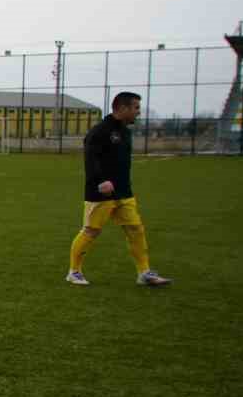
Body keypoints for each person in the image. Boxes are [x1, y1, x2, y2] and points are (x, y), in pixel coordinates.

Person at [66, 91, 172, 287]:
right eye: (136, 108)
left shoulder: (125, 131)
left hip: (124, 192)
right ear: (122, 108)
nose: (138, 112)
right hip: (100, 193)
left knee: (136, 229)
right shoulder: (99, 131)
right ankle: (74, 271)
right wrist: (101, 181)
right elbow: (90, 159)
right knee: (91, 231)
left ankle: (144, 272)